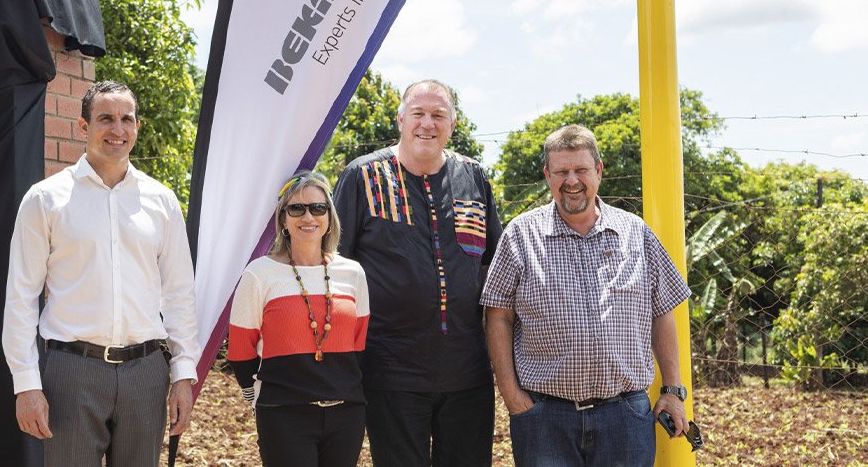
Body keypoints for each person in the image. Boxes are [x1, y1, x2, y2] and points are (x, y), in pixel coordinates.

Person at [2, 81, 201, 466]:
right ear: (83, 127)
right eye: (106, 118)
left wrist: (182, 372)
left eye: (127, 119)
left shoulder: (161, 202)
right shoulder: (45, 200)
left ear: (137, 126)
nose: (118, 129)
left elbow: (179, 293)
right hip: (71, 373)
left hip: (145, 375)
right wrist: (25, 383)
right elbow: (21, 296)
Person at [480, 124, 692, 467]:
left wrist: (672, 390)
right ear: (548, 176)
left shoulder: (636, 233)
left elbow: (661, 312)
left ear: (599, 171)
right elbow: (498, 316)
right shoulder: (520, 235)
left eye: (580, 169)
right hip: (544, 417)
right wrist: (511, 394)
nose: (572, 180)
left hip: (625, 415)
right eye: (562, 171)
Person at [333, 79, 502, 466]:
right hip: (391, 372)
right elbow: (334, 266)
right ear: (400, 119)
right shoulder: (362, 177)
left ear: (453, 125)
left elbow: (496, 262)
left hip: (467, 374)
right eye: (418, 114)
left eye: (438, 115)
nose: (428, 123)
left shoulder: (474, 178)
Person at [227, 170, 370, 467]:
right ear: (283, 219)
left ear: (329, 216)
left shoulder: (353, 273)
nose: (308, 217)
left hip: (346, 415)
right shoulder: (259, 273)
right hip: (284, 414)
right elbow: (241, 349)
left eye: (318, 208)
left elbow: (359, 345)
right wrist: (256, 397)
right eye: (297, 208)